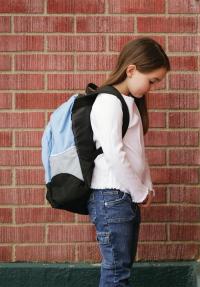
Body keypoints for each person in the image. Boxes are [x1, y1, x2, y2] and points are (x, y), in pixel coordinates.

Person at [87, 37, 170, 287]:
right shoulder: (108, 102)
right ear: (131, 70)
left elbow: (136, 152)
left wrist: (146, 187)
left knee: (120, 269)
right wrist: (138, 191)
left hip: (123, 198)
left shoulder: (128, 103)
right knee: (116, 272)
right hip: (111, 197)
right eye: (151, 81)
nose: (151, 88)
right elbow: (114, 154)